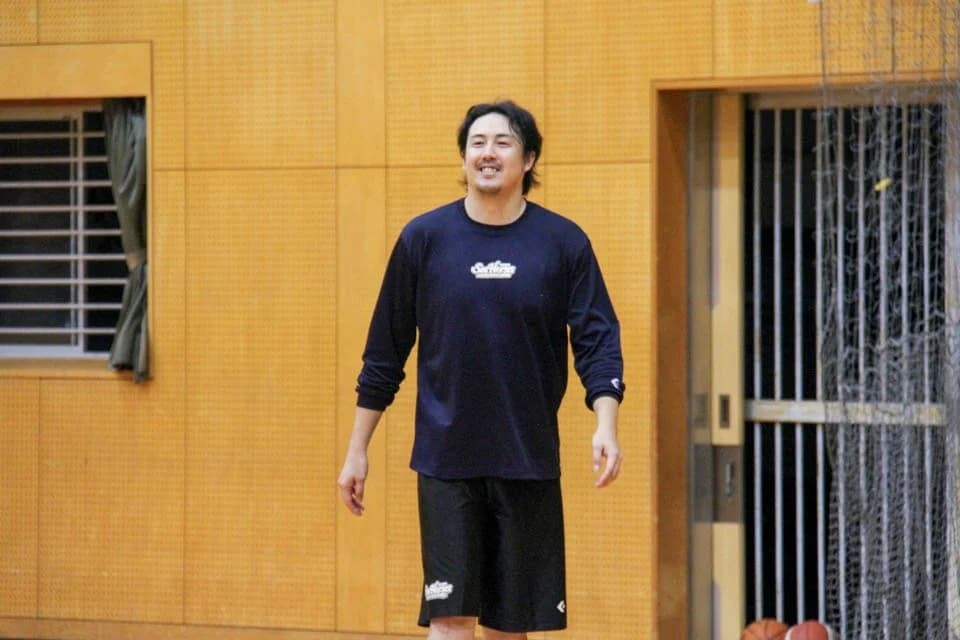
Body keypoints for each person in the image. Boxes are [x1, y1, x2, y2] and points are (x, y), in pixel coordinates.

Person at [337, 100, 625, 640]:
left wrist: (605, 424)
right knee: (449, 620)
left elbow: (598, 343)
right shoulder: (423, 240)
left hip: (527, 460)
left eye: (503, 142)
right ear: (464, 157)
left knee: (508, 628)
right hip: (446, 462)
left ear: (529, 159)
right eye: (477, 143)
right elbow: (383, 355)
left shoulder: (564, 243)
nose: (487, 153)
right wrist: (358, 450)